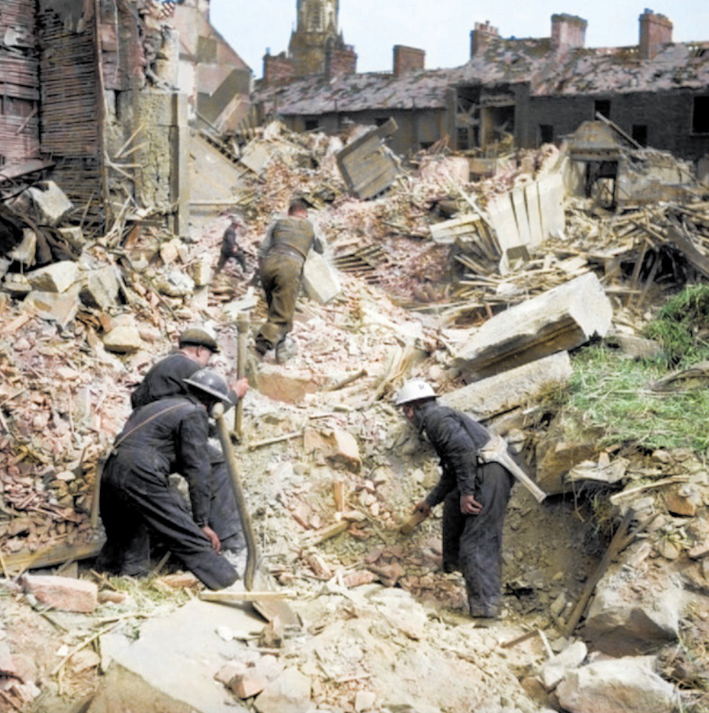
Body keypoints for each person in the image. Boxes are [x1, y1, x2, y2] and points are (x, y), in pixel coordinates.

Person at [96, 370, 238, 590]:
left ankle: (108, 578)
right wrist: (202, 523)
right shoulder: (194, 413)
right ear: (211, 402)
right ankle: (230, 585)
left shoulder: (155, 407)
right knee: (187, 537)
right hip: (141, 472)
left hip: (112, 467)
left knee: (123, 533)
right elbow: (197, 468)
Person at [396, 379, 515, 619]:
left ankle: (486, 608)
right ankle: (456, 568)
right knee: (453, 504)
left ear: (410, 409)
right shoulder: (438, 419)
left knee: (476, 541)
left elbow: (463, 453)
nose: (406, 417)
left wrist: (468, 493)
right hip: (486, 469)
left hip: (489, 473)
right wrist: (430, 502)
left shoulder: (436, 421)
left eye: (405, 411)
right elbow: (453, 470)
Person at [131, 326, 248, 566]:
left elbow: (183, 413)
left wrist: (218, 432)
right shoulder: (188, 368)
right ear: (197, 351)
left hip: (144, 443)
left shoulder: (159, 370)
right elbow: (209, 409)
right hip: (168, 445)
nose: (206, 364)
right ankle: (230, 539)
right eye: (207, 357)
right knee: (217, 466)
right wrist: (234, 394)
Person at [255, 198, 324, 360]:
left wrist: (262, 273)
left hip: (268, 265)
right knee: (281, 314)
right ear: (305, 214)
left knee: (278, 309)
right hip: (290, 266)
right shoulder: (308, 226)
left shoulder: (278, 223)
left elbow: (262, 250)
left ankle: (281, 350)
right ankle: (260, 348)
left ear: (289, 212)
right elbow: (320, 249)